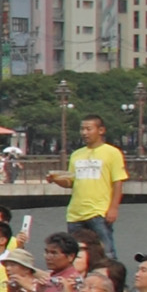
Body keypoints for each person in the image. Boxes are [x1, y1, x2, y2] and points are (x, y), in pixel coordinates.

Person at [47, 113, 125, 264]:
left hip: (98, 211)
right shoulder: (77, 154)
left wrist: (113, 208)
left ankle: (113, 282)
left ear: (101, 130)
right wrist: (56, 180)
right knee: (76, 255)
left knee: (106, 251)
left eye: (89, 129)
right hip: (75, 213)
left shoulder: (112, 153)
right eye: (82, 129)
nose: (84, 133)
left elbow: (118, 182)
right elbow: (71, 182)